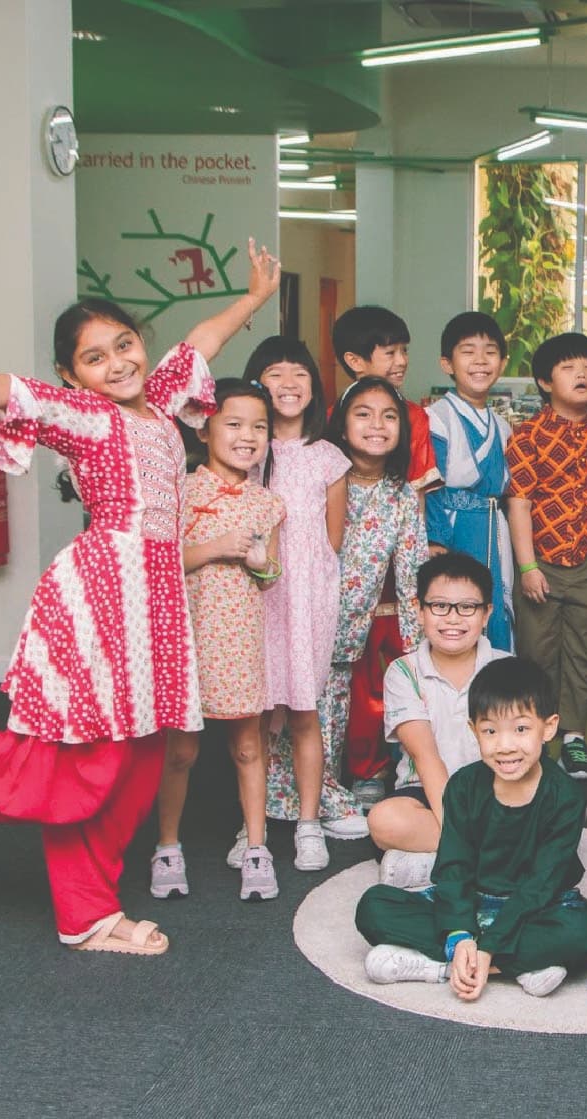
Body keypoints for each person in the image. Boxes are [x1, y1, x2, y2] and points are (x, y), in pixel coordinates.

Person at [0, 240, 278, 955]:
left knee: (140, 763)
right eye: (94, 357)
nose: (117, 363)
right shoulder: (88, 416)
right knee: (88, 762)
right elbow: (14, 392)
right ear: (72, 374)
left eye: (124, 344)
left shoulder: (161, 403)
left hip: (156, 598)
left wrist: (254, 298)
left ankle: (86, 912)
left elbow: (201, 343)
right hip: (106, 593)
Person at [352, 658, 587, 999]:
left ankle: (448, 966)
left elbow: (541, 884)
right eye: (490, 731)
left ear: (548, 728)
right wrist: (460, 934)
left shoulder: (566, 797)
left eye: (521, 729)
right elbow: (454, 867)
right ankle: (511, 963)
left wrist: (488, 946)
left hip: (537, 907)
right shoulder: (463, 786)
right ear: (474, 730)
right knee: (373, 906)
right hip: (473, 900)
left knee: (584, 932)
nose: (505, 745)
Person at [151, 379, 285, 902]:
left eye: (259, 427)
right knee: (181, 751)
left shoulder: (267, 504)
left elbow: (271, 576)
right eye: (234, 424)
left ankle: (256, 847)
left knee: (249, 747)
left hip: (239, 639)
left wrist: (261, 563)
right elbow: (156, 563)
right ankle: (167, 846)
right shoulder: (179, 492)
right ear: (204, 430)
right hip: (186, 638)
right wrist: (215, 547)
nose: (248, 436)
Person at [285, 378, 427, 832]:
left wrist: (418, 649)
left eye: (389, 416)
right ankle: (278, 808)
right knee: (291, 715)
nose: (377, 425)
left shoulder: (401, 494)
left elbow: (411, 572)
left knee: (333, 712)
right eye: (363, 414)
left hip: (349, 629)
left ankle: (323, 796)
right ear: (341, 426)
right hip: (301, 618)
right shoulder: (322, 477)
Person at [250, 336, 364, 869]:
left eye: (299, 373)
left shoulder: (328, 458)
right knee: (254, 717)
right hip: (255, 599)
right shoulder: (246, 451)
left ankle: (309, 824)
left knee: (303, 713)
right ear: (256, 384)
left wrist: (310, 591)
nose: (289, 383)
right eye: (275, 373)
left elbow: (332, 542)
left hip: (307, 601)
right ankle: (251, 824)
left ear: (315, 388)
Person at [332, 306, 440, 806]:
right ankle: (358, 769)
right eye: (389, 351)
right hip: (341, 604)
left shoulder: (401, 480)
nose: (401, 360)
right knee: (352, 688)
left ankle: (409, 767)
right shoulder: (328, 471)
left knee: (402, 674)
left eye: (389, 418)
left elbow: (413, 530)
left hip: (396, 593)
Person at [507, 332, 587, 781]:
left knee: (582, 655)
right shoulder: (527, 435)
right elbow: (519, 503)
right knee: (537, 655)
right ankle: (534, 739)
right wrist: (528, 566)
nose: (582, 375)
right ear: (544, 381)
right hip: (543, 563)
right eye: (569, 368)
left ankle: (573, 739)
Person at [368, 552, 510, 891]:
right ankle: (488, 857)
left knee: (562, 806)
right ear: (419, 611)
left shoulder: (506, 668)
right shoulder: (404, 672)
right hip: (425, 790)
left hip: (493, 785)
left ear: (487, 614)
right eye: (440, 606)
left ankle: (434, 862)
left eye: (467, 607)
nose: (453, 618)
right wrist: (457, 830)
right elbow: (425, 756)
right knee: (384, 820)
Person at [427, 311, 514, 651]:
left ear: (502, 363)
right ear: (447, 364)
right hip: (455, 529)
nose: (480, 360)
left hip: (495, 528)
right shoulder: (437, 417)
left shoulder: (502, 426)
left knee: (496, 610)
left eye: (490, 352)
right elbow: (429, 485)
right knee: (458, 612)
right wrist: (436, 539)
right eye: (468, 351)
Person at [333, 304, 440, 493]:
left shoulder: (414, 416)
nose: (402, 361)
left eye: (404, 350)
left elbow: (419, 493)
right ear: (355, 361)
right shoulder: (331, 417)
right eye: (390, 353)